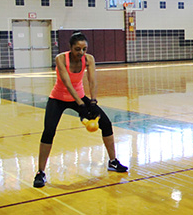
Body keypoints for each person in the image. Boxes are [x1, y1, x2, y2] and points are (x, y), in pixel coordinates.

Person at [34, 32, 127, 188]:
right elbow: (67, 83)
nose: (81, 53)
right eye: (78, 49)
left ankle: (112, 162)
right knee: (49, 131)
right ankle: (40, 172)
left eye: (84, 49)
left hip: (80, 97)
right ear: (70, 48)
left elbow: (92, 81)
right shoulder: (61, 59)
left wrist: (92, 101)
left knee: (106, 123)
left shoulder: (89, 59)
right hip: (58, 99)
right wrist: (81, 106)